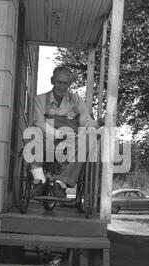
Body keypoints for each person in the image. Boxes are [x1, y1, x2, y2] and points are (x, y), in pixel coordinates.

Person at [28, 66, 100, 198]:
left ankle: (61, 184)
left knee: (88, 139)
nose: (61, 86)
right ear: (52, 81)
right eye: (58, 82)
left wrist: (100, 122)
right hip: (46, 139)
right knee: (32, 133)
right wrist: (58, 134)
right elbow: (39, 122)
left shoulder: (76, 100)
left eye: (65, 83)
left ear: (70, 84)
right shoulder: (40, 100)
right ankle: (39, 181)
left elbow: (86, 123)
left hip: (70, 141)